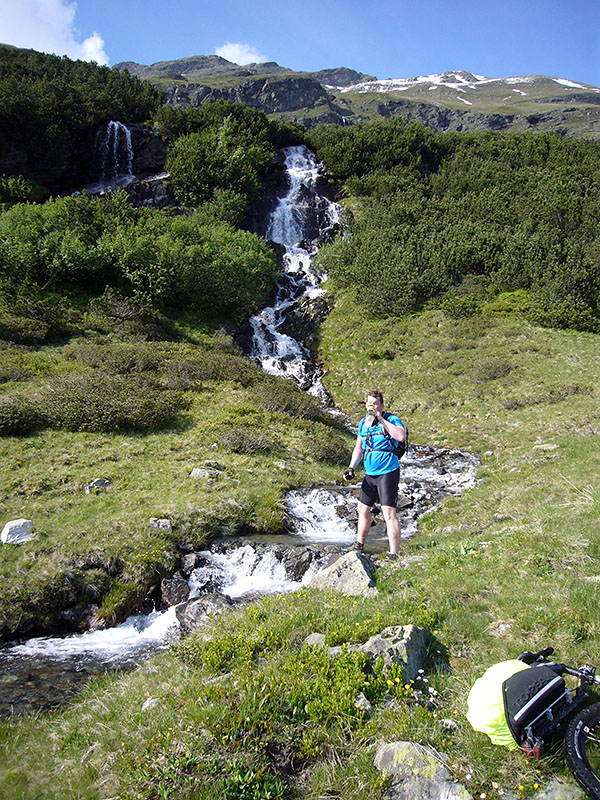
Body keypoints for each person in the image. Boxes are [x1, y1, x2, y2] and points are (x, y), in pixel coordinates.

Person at [343, 391, 407, 557]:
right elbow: (359, 447)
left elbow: (400, 436)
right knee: (363, 509)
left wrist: (381, 418)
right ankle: (359, 544)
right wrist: (351, 467)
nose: (372, 406)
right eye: (369, 403)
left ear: (382, 405)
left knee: (389, 514)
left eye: (375, 403)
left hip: (388, 472)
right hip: (370, 474)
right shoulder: (363, 423)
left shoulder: (391, 419)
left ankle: (394, 554)